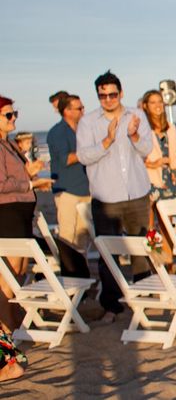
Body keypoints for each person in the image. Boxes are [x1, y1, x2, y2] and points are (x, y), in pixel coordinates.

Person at [77, 71, 154, 323]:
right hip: (106, 196)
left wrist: (132, 135)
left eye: (112, 94)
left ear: (121, 93)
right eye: (102, 95)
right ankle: (112, 305)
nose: (108, 99)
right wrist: (108, 139)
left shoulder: (137, 115)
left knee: (140, 248)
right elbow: (84, 156)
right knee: (108, 254)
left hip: (136, 192)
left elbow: (147, 148)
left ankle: (145, 299)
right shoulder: (88, 122)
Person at [0, 96, 52, 377]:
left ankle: (9, 351)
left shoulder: (8, 144)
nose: (14, 119)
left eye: (14, 114)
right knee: (5, 290)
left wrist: (29, 174)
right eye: (8, 115)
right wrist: (30, 181)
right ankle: (6, 360)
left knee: (13, 285)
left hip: (18, 217)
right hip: (6, 218)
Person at [47, 95, 92, 254]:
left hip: (85, 188)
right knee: (68, 236)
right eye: (79, 108)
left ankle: (82, 274)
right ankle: (69, 275)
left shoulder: (82, 129)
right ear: (67, 111)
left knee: (83, 236)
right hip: (67, 190)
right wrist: (89, 153)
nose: (83, 111)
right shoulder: (57, 132)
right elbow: (65, 158)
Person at [142, 90, 176, 202]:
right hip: (150, 178)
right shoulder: (143, 129)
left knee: (168, 215)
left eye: (160, 102)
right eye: (153, 102)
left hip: (170, 178)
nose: (158, 105)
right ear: (145, 106)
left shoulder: (170, 128)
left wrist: (175, 172)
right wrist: (154, 164)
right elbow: (135, 157)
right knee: (149, 215)